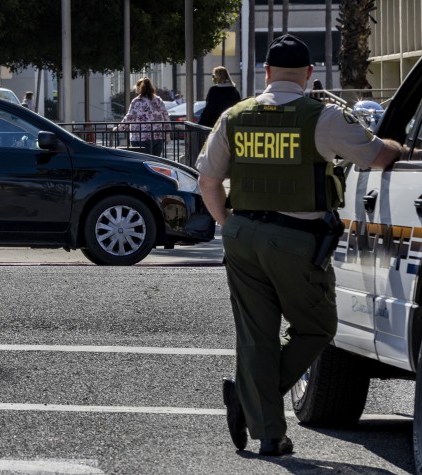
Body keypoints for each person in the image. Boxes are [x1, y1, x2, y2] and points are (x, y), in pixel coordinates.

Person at [196, 34, 406, 456]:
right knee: (317, 328)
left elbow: (208, 181)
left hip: (241, 234)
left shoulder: (235, 116)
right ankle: (247, 397)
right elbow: (376, 157)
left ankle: (269, 436)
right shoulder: (322, 117)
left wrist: (229, 225)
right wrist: (401, 144)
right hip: (296, 240)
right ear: (310, 75)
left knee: (256, 337)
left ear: (266, 73)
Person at [118, 77, 170, 156]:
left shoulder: (137, 101)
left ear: (139, 88)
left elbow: (129, 117)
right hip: (157, 136)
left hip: (140, 137)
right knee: (155, 162)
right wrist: (167, 132)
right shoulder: (158, 100)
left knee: (142, 161)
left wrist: (119, 128)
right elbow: (166, 116)